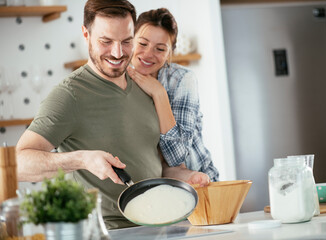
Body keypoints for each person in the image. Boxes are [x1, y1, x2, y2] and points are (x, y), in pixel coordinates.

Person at [16, 0, 208, 229]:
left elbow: (150, 163)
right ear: (86, 34)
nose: (117, 53)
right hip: (104, 232)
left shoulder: (146, 86)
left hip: (159, 228)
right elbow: (17, 164)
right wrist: (81, 159)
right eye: (106, 42)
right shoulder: (69, 95)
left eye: (126, 42)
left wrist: (182, 177)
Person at [126, 8, 219, 182]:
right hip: (153, 187)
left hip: (198, 182)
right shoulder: (120, 80)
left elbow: (176, 157)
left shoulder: (182, 80)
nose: (148, 54)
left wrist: (159, 93)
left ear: (170, 53)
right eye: (143, 44)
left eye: (160, 49)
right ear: (130, 41)